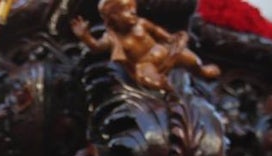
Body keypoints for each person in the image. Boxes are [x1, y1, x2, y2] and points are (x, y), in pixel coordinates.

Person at [70, 0, 220, 91]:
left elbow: (156, 31)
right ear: (113, 17)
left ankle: (201, 70)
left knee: (190, 58)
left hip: (162, 51)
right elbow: (97, 47)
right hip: (144, 63)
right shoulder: (112, 38)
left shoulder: (141, 23)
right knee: (148, 79)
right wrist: (85, 36)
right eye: (126, 11)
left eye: (133, 8)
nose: (133, 12)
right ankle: (165, 87)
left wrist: (170, 38)